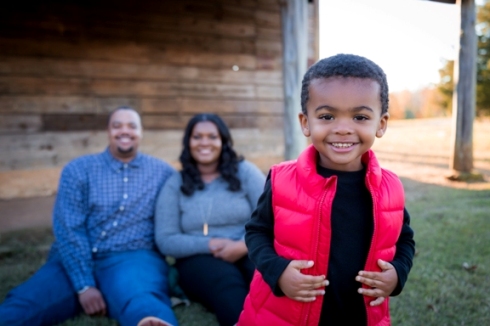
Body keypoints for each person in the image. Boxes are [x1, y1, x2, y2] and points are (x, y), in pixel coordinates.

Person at [238, 54, 416, 326]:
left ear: (381, 124)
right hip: (285, 315)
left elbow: (404, 241)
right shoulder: (281, 180)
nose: (343, 129)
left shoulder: (390, 188)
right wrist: (279, 272)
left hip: (359, 314)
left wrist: (398, 274)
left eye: (359, 116)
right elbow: (256, 232)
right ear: (306, 122)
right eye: (327, 116)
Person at [0, 107, 178, 326]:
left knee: (142, 302)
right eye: (117, 125)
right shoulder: (78, 170)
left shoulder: (163, 173)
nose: (125, 131)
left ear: (141, 132)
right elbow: (68, 228)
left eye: (132, 126)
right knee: (24, 305)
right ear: (108, 131)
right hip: (72, 259)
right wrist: (84, 285)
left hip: (132, 257)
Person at [155, 113, 265, 326]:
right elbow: (165, 239)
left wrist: (242, 246)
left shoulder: (246, 173)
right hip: (198, 257)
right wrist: (210, 244)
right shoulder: (174, 184)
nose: (204, 143)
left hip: (248, 247)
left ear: (223, 141)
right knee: (226, 282)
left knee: (261, 277)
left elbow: (271, 218)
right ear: (188, 142)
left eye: (212, 136)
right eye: (197, 137)